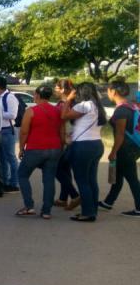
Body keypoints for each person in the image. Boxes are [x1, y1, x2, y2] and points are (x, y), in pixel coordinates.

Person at [15, 85, 64, 219]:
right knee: (49, 179)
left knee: (22, 174)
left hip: (35, 148)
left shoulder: (31, 111)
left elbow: (24, 131)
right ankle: (46, 210)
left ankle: (29, 205)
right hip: (55, 148)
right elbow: (62, 131)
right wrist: (62, 146)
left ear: (36, 95)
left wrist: (21, 148)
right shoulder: (57, 110)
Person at [61, 82, 107, 222]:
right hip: (96, 144)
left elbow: (64, 116)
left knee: (82, 180)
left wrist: (68, 99)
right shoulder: (98, 106)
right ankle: (92, 209)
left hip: (83, 146)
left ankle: (87, 213)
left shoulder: (84, 105)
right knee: (91, 179)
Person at [98, 79, 140, 217]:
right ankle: (108, 202)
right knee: (117, 175)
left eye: (108, 90)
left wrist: (113, 152)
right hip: (132, 146)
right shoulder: (131, 106)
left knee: (132, 178)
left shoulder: (121, 110)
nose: (107, 92)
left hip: (125, 148)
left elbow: (120, 134)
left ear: (114, 91)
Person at [53, 79, 80, 209]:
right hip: (72, 139)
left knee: (57, 169)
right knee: (65, 169)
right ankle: (63, 198)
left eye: (57, 87)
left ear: (63, 90)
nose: (55, 89)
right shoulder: (74, 103)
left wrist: (61, 139)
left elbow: (61, 123)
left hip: (64, 140)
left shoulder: (63, 104)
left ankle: (74, 195)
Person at [0, 76, 21, 193]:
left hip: (7, 130)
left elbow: (12, 115)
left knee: (10, 157)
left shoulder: (9, 97)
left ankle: (14, 183)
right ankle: (5, 181)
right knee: (2, 158)